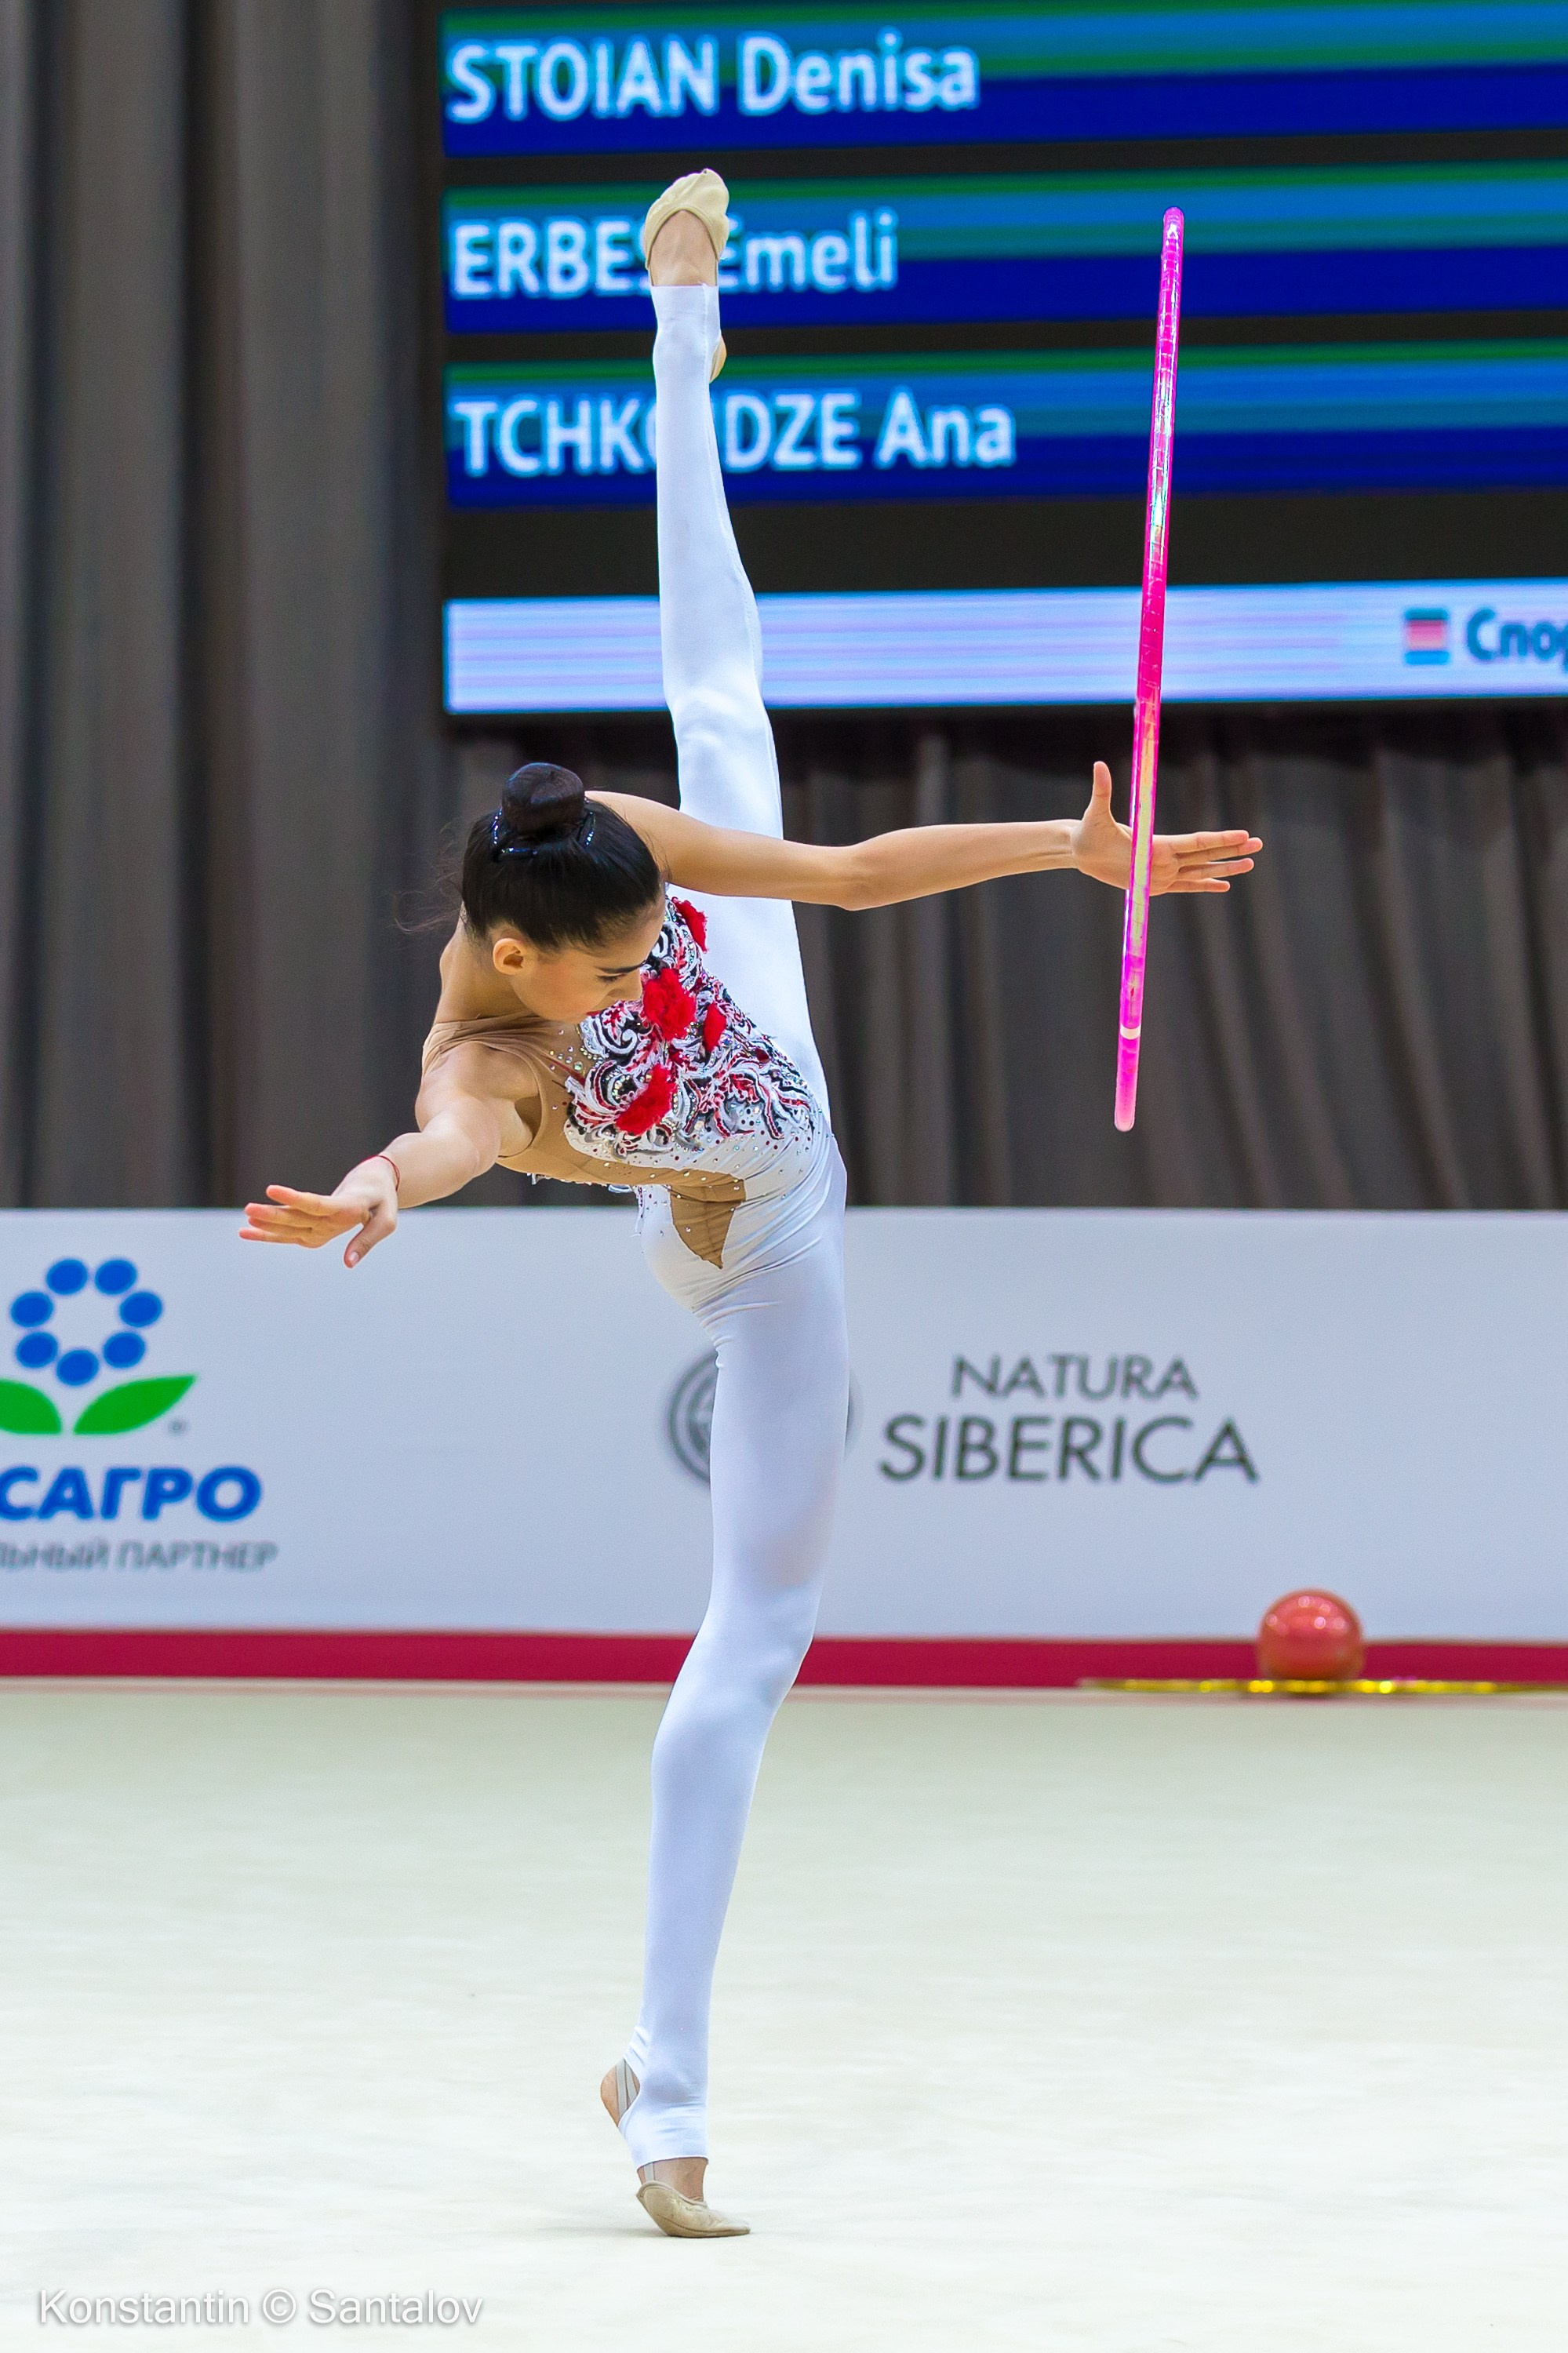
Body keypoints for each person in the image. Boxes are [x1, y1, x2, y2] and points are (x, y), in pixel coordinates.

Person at [241, 171, 1261, 2238]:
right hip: (757, 1240)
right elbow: (440, 1140)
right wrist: (379, 1188)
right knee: (753, 1644)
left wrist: (1068, 861)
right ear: (521, 966)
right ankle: (664, 2088)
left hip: (775, 1088)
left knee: (736, 717)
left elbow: (852, 879)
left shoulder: (606, 853)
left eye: (648, 934)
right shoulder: (496, 1050)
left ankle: (679, 324)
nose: (641, 961)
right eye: (618, 962)